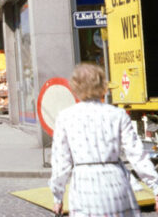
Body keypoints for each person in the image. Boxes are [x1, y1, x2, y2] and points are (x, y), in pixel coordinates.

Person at [50, 63, 158, 216]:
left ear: (75, 87)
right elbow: (136, 154)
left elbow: (61, 162)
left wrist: (57, 196)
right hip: (115, 181)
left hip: (84, 185)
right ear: (103, 86)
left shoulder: (66, 117)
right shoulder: (117, 114)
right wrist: (155, 186)